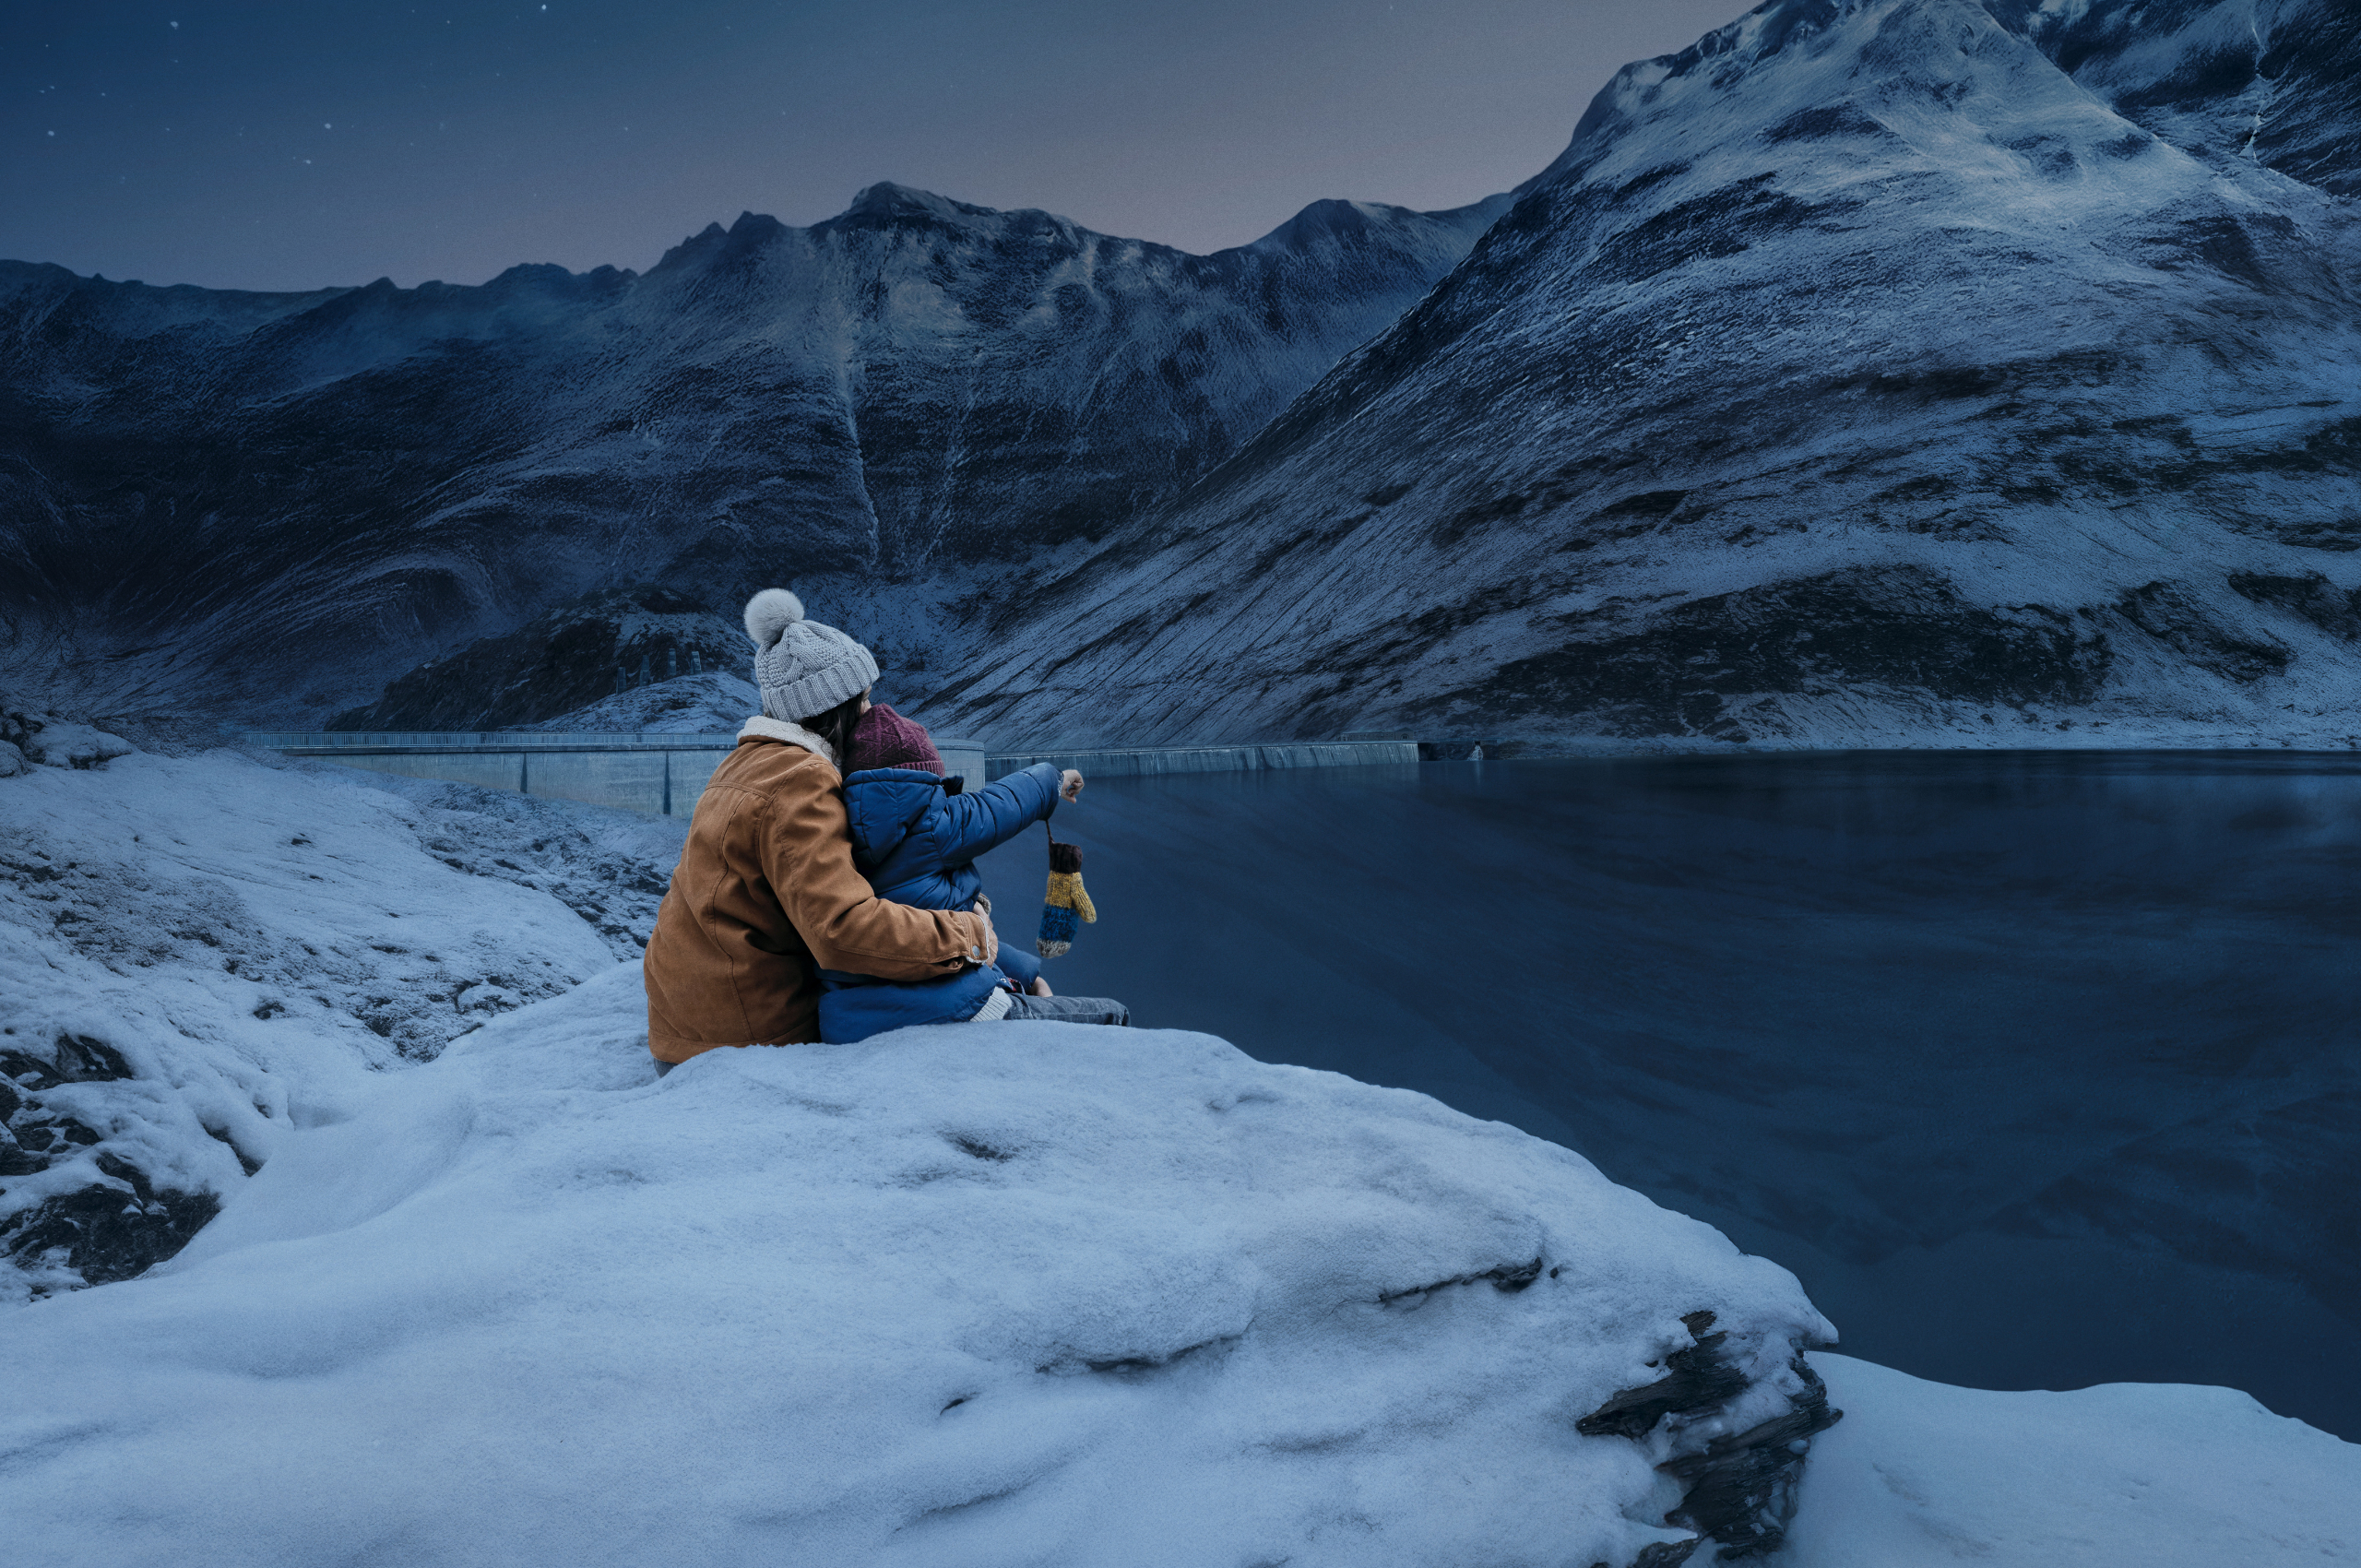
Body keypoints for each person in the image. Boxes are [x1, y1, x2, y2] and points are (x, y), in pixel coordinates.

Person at [641, 589, 1001, 1067]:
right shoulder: (802, 780)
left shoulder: (745, 763)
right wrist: (969, 934)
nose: (874, 712)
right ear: (840, 709)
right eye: (866, 699)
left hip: (687, 1022)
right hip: (741, 1042)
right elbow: (842, 930)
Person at [818, 700, 1131, 1041]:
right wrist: (1056, 778)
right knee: (1114, 1014)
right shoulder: (936, 825)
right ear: (923, 776)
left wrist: (1027, 973)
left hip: (856, 1018)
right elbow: (1005, 803)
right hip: (953, 1009)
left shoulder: (836, 839)